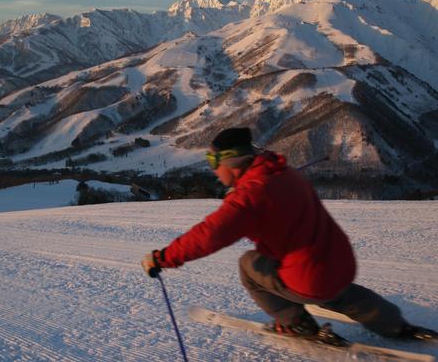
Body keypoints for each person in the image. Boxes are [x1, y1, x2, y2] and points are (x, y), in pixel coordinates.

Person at [141, 127, 437, 341]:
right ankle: (393, 324)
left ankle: (296, 323)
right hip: (342, 263)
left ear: (229, 162)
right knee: (339, 292)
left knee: (249, 265)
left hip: (310, 277)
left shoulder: (249, 197)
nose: (213, 171)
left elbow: (208, 236)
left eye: (213, 163)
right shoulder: (282, 172)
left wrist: (162, 258)